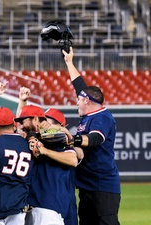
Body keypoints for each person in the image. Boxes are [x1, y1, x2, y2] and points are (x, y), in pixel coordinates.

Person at [63, 47, 120, 225]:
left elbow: (96, 139)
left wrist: (74, 139)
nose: (76, 102)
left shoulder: (102, 117)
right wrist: (69, 62)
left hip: (102, 186)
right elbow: (80, 87)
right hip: (87, 185)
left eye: (79, 100)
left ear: (87, 101)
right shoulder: (90, 113)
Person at [17, 106, 78, 225]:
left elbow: (73, 159)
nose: (44, 124)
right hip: (34, 204)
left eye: (47, 121)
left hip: (50, 205)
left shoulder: (57, 138)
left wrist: (45, 150)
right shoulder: (31, 136)